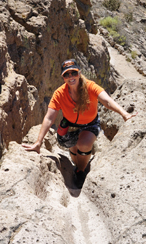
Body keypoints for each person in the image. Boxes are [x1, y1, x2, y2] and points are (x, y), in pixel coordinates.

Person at [23, 59, 137, 188]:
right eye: (67, 74)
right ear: (63, 77)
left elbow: (107, 101)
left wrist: (124, 114)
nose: (71, 77)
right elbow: (49, 118)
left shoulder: (90, 86)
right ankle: (77, 162)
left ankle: (80, 171)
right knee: (70, 146)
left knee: (83, 145)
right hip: (70, 125)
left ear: (79, 72)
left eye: (73, 73)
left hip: (90, 124)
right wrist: (38, 142)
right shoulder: (59, 93)